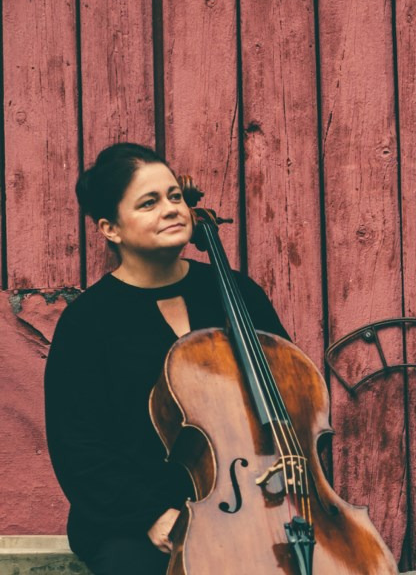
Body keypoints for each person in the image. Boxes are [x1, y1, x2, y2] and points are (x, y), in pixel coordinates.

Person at [45, 143, 288, 575]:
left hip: (253, 501)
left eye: (175, 196)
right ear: (111, 229)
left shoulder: (237, 292)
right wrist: (153, 516)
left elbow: (291, 395)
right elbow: (79, 447)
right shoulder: (87, 322)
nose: (172, 209)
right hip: (136, 519)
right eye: (149, 202)